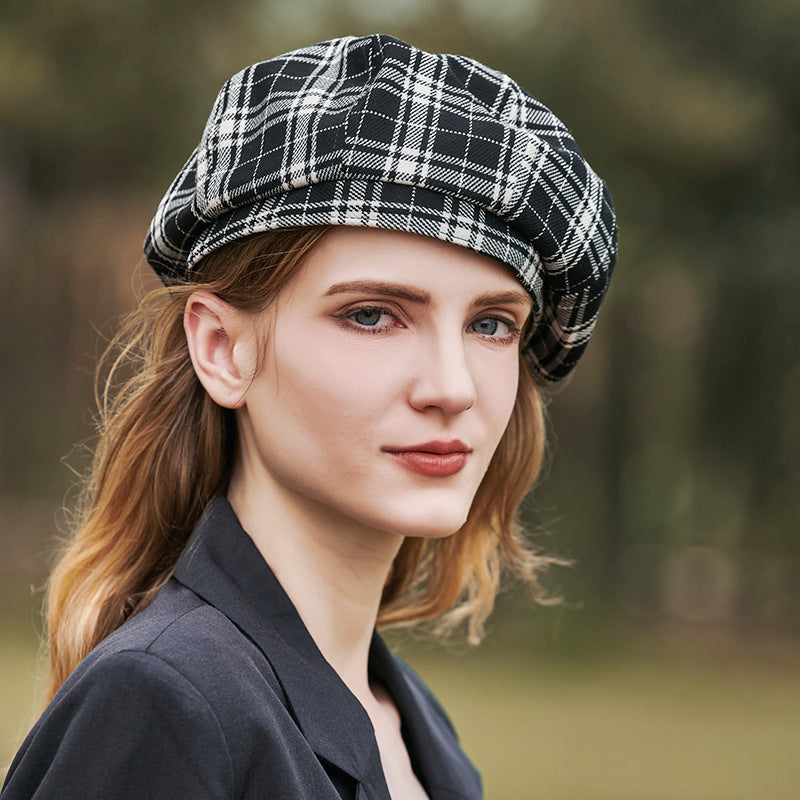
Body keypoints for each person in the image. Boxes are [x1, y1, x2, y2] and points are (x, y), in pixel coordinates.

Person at [1, 34, 616, 800]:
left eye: (491, 324)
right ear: (223, 349)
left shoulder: (416, 727)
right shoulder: (166, 703)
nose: (453, 388)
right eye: (372, 315)